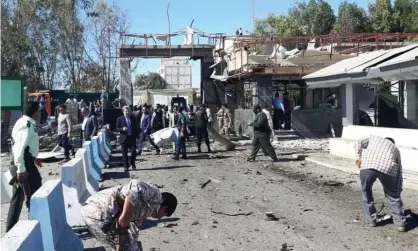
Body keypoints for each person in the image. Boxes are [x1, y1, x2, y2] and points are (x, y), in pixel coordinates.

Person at [81, 180, 177, 250]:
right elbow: (135, 185)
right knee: (115, 245)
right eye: (164, 215)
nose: (160, 218)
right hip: (98, 208)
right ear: (164, 208)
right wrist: (125, 215)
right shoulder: (156, 195)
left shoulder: (144, 213)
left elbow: (130, 235)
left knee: (127, 246)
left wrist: (122, 246)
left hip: (98, 216)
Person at [355, 136, 406, 232]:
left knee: (366, 191)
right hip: (388, 168)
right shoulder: (395, 149)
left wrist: (358, 158)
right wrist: (397, 191)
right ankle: (400, 224)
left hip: (368, 165)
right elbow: (399, 172)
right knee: (392, 196)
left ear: (384, 139)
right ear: (392, 143)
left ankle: (371, 221)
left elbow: (359, 141)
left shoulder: (374, 138)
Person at [6, 101, 43, 232]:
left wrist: (34, 158)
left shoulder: (23, 122)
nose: (39, 113)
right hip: (22, 165)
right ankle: (37, 226)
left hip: (25, 162)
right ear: (34, 112)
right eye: (38, 111)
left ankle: (11, 231)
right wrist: (21, 170)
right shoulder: (26, 125)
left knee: (18, 198)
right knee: (35, 195)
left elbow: (26, 146)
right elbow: (19, 149)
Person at [116, 106, 139, 171]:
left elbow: (136, 128)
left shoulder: (133, 118)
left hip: (132, 138)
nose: (127, 112)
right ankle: (126, 166)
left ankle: (133, 164)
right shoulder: (119, 119)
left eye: (129, 111)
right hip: (124, 138)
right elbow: (117, 128)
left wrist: (137, 137)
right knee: (124, 153)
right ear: (123, 112)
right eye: (126, 111)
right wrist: (122, 129)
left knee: (133, 152)